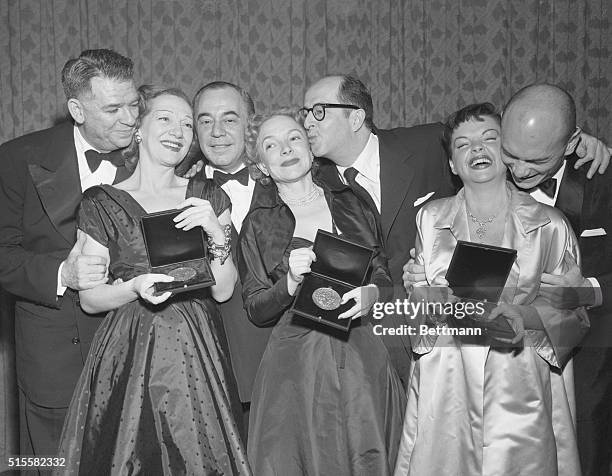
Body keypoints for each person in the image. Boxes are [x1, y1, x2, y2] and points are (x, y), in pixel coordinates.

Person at [56, 85, 250, 475]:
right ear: (139, 129)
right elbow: (91, 299)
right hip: (129, 352)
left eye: (186, 125)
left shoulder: (208, 195)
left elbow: (224, 289)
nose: (178, 131)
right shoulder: (101, 202)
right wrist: (132, 287)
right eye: (164, 118)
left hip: (198, 349)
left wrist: (216, 233)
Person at [394, 103, 589, 476]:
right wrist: (422, 295)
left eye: (489, 139)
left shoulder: (551, 224)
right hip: (447, 378)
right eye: (463, 144)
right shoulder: (429, 218)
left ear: (508, 151)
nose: (477, 150)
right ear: (452, 164)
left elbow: (574, 314)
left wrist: (524, 315)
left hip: (519, 378)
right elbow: (420, 300)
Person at [237, 111, 406, 475]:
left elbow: (382, 273)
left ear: (311, 149)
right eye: (271, 145)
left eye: (294, 138)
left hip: (361, 351)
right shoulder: (256, 224)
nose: (285, 149)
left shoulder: (354, 202)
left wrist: (373, 294)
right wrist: (289, 285)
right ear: (262, 166)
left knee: (369, 452)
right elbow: (255, 307)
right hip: (296, 365)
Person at [0, 49, 139, 459]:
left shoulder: (154, 152)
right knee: (53, 461)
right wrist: (63, 272)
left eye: (134, 104)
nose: (130, 119)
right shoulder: (15, 159)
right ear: (76, 109)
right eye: (113, 108)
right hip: (55, 356)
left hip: (136, 345)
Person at [302, 74, 457, 381]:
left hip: (446, 330)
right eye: (304, 113)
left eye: (318, 111)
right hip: (372, 345)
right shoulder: (316, 181)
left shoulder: (430, 144)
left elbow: (498, 148)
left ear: (356, 117)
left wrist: (574, 146)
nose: (307, 122)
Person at [500, 84, 612, 476]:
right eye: (510, 154)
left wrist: (589, 291)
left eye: (536, 160)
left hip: (585, 371)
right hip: (503, 367)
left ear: (572, 144)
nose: (519, 170)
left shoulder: (603, 180)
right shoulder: (480, 171)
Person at [192, 81, 273, 435]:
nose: (217, 132)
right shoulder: (178, 192)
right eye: (205, 121)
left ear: (250, 124)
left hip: (280, 365)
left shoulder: (288, 182)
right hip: (209, 371)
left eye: (229, 119)